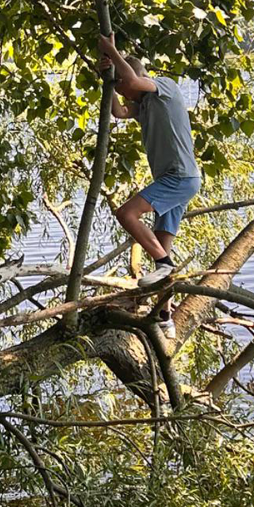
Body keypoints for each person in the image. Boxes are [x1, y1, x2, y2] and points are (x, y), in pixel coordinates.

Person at [98, 34, 201, 335]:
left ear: (139, 77)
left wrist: (113, 50)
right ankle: (165, 316)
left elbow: (131, 80)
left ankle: (165, 263)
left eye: (125, 88)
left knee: (126, 214)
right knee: (159, 246)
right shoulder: (142, 106)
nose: (126, 94)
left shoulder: (164, 87)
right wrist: (105, 79)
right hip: (176, 180)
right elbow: (118, 111)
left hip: (179, 177)